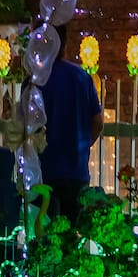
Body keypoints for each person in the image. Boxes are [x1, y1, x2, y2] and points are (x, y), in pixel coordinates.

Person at [37, 22, 104, 222]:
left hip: (44, 170)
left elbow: (25, 126)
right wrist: (83, 144)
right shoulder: (82, 77)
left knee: (45, 234)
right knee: (74, 234)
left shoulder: (36, 80)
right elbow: (98, 122)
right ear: (65, 44)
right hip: (76, 170)